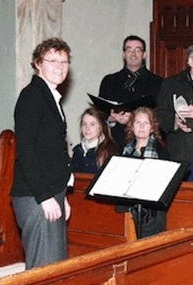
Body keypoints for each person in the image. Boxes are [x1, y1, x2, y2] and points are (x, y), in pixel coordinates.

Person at [11, 38, 73, 269]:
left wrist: (61, 194)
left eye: (64, 62)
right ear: (38, 63)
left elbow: (50, 153)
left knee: (55, 268)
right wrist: (46, 197)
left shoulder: (49, 97)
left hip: (49, 193)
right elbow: (26, 153)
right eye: (53, 60)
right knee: (43, 269)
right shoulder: (32, 96)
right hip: (37, 197)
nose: (60, 67)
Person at [99, 35, 163, 150]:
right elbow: (99, 114)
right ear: (123, 54)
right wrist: (113, 118)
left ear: (144, 55)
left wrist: (134, 118)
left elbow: (162, 115)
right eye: (129, 50)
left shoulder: (158, 83)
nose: (133, 54)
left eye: (138, 50)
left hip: (146, 145)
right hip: (114, 143)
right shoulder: (110, 81)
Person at [118, 107, 169, 238]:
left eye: (146, 123)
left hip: (151, 212)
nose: (141, 127)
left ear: (152, 127)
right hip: (128, 208)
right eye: (137, 122)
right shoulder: (125, 150)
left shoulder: (161, 152)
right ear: (131, 126)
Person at [71, 107, 118, 173]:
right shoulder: (78, 150)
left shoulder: (109, 151)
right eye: (84, 124)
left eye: (92, 124)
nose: (87, 128)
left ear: (101, 127)